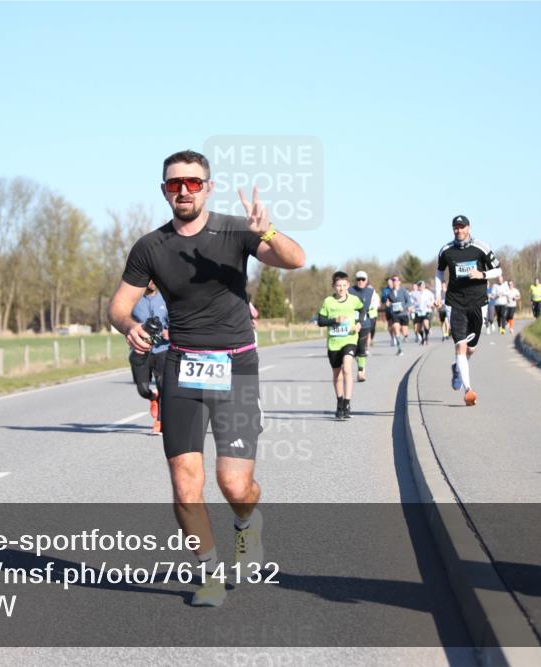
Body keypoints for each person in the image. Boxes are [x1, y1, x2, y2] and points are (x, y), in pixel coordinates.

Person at [109, 149, 305, 607]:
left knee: (234, 485)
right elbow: (119, 306)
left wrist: (268, 232)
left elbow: (295, 259)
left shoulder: (237, 230)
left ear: (207, 187)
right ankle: (209, 574)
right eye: (175, 183)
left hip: (236, 366)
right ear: (164, 190)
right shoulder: (150, 247)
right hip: (182, 367)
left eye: (193, 183)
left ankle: (247, 523)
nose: (183, 190)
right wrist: (129, 326)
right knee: (185, 481)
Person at [435, 215, 502, 406]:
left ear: (469, 228)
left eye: (462, 227)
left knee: (471, 349)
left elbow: (498, 270)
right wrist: (437, 295)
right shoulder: (446, 250)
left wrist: (482, 274)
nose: (459, 231)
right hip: (455, 303)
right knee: (460, 345)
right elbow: (439, 272)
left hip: (477, 302)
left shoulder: (481, 247)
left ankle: (457, 368)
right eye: (455, 227)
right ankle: (468, 390)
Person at [317, 271, 363, 420]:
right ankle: (340, 402)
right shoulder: (328, 302)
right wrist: (334, 320)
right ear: (333, 286)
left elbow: (362, 309)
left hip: (350, 339)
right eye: (338, 286)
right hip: (334, 343)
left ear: (348, 285)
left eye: (344, 285)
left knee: (347, 368)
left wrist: (358, 323)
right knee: (337, 374)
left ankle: (347, 403)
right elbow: (320, 321)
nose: (341, 289)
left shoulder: (354, 300)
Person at [129, 281, 169, 434]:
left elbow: (177, 319)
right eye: (148, 279)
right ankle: (153, 398)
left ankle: (160, 421)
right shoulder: (134, 300)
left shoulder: (166, 298)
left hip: (163, 349)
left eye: (154, 279)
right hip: (141, 350)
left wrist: (169, 331)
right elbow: (126, 321)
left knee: (164, 386)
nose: (151, 282)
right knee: (142, 389)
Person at [348, 270, 375, 382]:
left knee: (361, 346)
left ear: (366, 280)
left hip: (365, 323)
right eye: (358, 279)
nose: (360, 281)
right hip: (351, 324)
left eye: (363, 279)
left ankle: (361, 371)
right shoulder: (350, 290)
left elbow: (374, 304)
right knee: (353, 349)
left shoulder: (371, 291)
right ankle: (359, 368)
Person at [381, 275, 411, 355]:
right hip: (395, 314)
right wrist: (388, 304)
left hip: (403, 314)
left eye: (396, 280)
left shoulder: (404, 291)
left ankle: (404, 335)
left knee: (404, 332)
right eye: (393, 280)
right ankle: (400, 349)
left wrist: (404, 307)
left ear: (399, 282)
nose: (395, 282)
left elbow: (409, 302)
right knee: (395, 328)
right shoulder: (389, 292)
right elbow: (388, 302)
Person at [412, 280, 436, 345]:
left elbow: (433, 300)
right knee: (418, 328)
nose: (421, 287)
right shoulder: (414, 294)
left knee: (426, 324)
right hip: (418, 312)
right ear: (418, 287)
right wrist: (414, 305)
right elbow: (411, 302)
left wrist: (431, 304)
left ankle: (426, 338)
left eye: (423, 286)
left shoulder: (429, 293)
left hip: (426, 311)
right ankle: (422, 339)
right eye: (420, 286)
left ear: (424, 286)